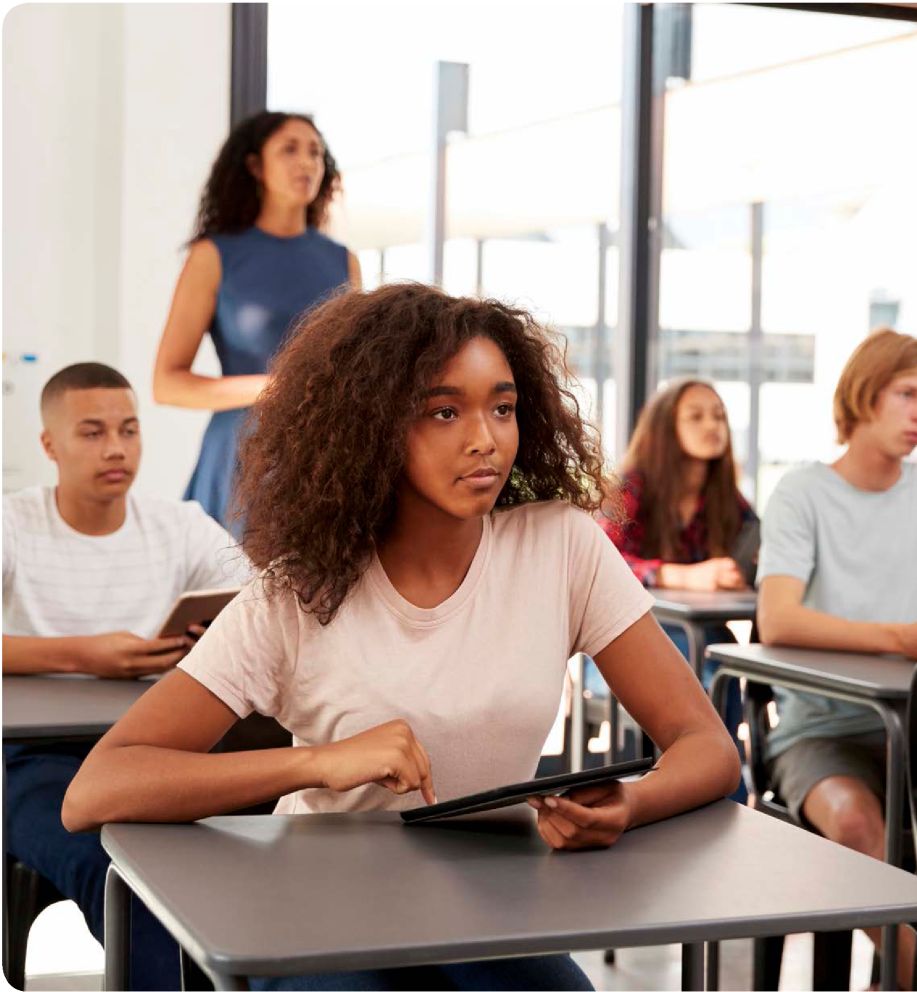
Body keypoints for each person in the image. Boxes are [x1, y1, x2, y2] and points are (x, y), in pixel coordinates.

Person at [64, 285, 740, 992]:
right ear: (372, 427)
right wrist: (317, 764)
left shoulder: (562, 548)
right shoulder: (298, 592)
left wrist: (629, 805)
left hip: (489, 911)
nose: (484, 437)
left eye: (501, 408)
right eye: (443, 412)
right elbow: (98, 788)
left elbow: (707, 749)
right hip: (321, 916)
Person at [3, 362, 250, 991]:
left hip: (163, 752)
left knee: (272, 853)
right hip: (37, 759)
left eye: (130, 429)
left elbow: (261, 603)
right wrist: (83, 656)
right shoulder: (13, 525)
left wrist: (211, 642)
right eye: (92, 432)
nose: (116, 448)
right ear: (49, 445)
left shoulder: (180, 524)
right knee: (119, 875)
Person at [757, 328, 917, 987]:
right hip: (821, 733)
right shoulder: (802, 492)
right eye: (907, 395)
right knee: (856, 825)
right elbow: (777, 617)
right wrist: (897, 638)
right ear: (862, 395)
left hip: (910, 732)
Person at [153, 111, 361, 530]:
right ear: (254, 166)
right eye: (289, 149)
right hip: (240, 458)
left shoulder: (343, 261)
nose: (306, 162)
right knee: (235, 591)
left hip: (326, 457)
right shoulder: (213, 256)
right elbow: (167, 383)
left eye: (316, 152)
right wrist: (275, 388)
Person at [595, 378, 757, 801]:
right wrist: (679, 575)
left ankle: (720, 796)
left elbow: (762, 557)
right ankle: (720, 798)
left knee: (722, 667)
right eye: (697, 416)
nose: (712, 426)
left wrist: (740, 573)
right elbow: (598, 563)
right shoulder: (631, 489)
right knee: (706, 668)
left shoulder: (728, 500)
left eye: (719, 416)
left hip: (703, 641)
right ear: (666, 427)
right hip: (625, 647)